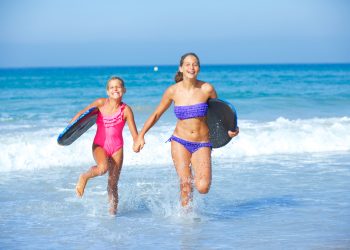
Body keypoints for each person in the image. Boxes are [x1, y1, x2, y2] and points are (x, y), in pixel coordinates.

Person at [133, 52, 239, 207]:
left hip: (202, 142)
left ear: (199, 68)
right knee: (185, 185)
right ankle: (186, 224)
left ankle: (189, 205)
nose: (191, 67)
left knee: (203, 187)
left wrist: (230, 130)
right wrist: (141, 135)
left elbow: (219, 114)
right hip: (180, 141)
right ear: (181, 68)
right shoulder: (173, 91)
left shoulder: (207, 89)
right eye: (188, 64)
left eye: (195, 64)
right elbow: (156, 114)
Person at [71, 76, 138, 215]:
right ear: (107, 91)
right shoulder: (101, 103)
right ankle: (84, 177)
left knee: (113, 184)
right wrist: (69, 130)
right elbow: (81, 115)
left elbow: (134, 133)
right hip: (99, 145)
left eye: (118, 86)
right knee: (102, 168)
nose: (115, 89)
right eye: (112, 87)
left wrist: (138, 141)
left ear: (124, 90)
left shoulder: (126, 110)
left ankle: (112, 214)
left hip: (117, 148)